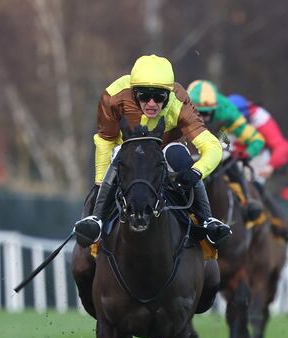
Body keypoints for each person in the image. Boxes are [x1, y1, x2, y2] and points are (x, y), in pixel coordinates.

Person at [73, 55, 231, 248]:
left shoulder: (179, 101)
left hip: (166, 150)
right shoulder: (114, 95)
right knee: (120, 152)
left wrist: (197, 171)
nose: (151, 104)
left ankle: (208, 220)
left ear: (169, 95)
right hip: (130, 151)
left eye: (159, 97)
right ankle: (96, 219)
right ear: (133, 93)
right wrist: (100, 183)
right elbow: (105, 141)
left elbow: (212, 146)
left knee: (179, 155)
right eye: (144, 96)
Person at [187, 80, 266, 221]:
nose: (202, 118)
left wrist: (247, 154)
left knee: (228, 156)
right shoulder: (180, 106)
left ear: (215, 109)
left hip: (220, 137)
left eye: (207, 113)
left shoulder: (228, 112)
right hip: (190, 142)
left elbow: (257, 139)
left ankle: (246, 202)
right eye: (198, 113)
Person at [228, 93, 288, 239]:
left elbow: (282, 147)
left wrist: (271, 165)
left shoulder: (260, 117)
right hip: (234, 155)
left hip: (256, 159)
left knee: (255, 187)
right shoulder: (222, 115)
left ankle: (282, 224)